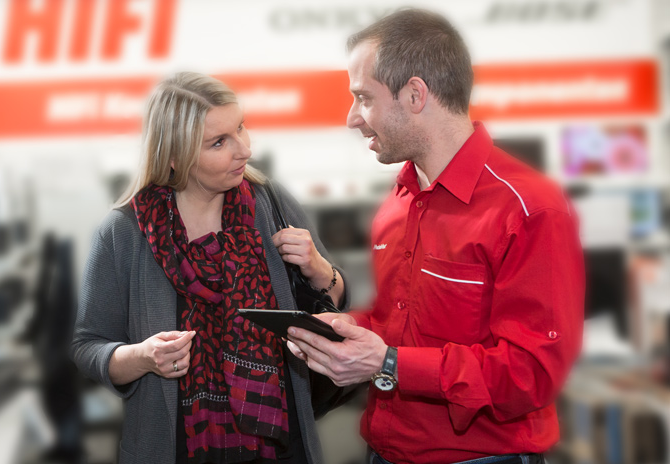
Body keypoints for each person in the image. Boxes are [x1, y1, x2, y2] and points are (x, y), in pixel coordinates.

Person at [286, 8, 584, 464]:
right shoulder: (400, 199)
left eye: (363, 97)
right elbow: (403, 326)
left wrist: (388, 363)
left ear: (414, 94)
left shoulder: (527, 207)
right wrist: (352, 331)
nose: (352, 118)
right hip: (385, 450)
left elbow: (532, 374)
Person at [71, 72, 347, 464]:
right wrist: (143, 357)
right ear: (174, 156)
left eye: (241, 128)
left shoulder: (269, 204)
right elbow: (88, 345)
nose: (244, 150)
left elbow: (334, 303)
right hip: (178, 447)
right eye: (220, 142)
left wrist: (319, 268)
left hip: (281, 443)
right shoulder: (124, 232)